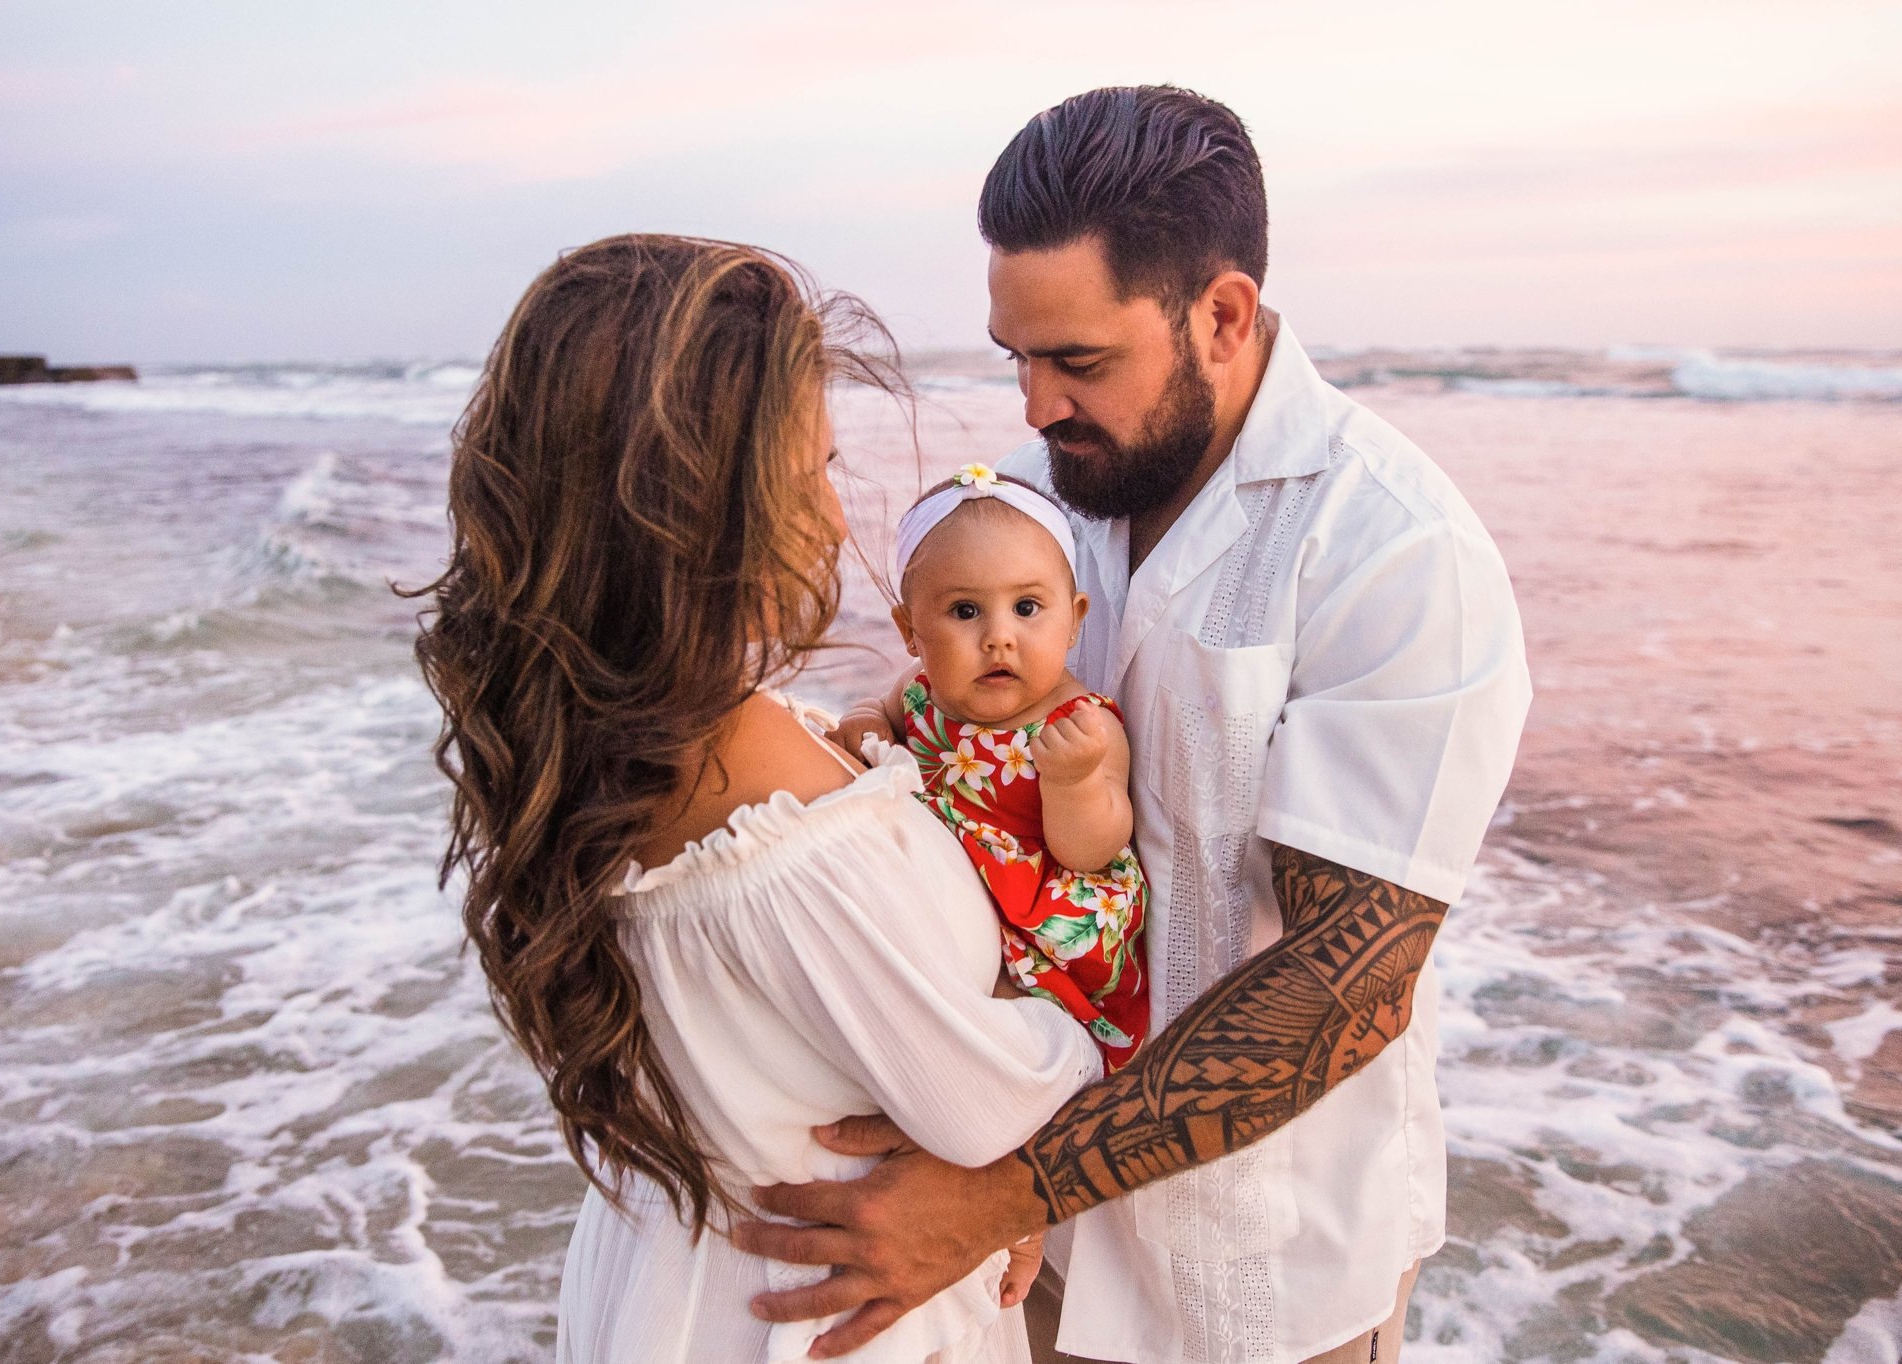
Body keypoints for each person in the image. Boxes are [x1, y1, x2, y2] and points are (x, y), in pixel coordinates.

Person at [738, 86, 1534, 1364]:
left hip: (1254, 1280)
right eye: (1017, 355)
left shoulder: (1393, 547)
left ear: (1219, 315)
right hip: (1015, 1248)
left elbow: (1347, 986)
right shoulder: (1047, 503)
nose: (1036, 402)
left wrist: (1002, 1190)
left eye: (1078, 361)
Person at [409, 233, 1103, 1362]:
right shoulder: (786, 843)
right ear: (687, 512)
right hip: (818, 1316)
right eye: (807, 475)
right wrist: (1088, 1029)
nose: (835, 521)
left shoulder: (595, 735)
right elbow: (985, 1106)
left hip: (673, 1277)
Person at [838, 463, 1151, 1069]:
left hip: (1046, 922)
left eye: (1028, 607)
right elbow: (880, 707)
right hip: (953, 896)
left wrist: (1074, 782)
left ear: (1074, 619)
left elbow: (1093, 851)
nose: (998, 637)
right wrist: (866, 719)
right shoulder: (923, 691)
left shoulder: (1083, 727)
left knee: (1010, 1022)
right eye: (964, 612)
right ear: (910, 630)